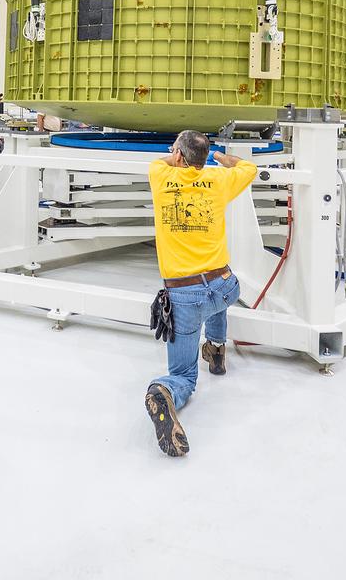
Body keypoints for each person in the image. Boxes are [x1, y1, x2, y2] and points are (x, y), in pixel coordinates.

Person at [143, 130, 256, 457]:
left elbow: (163, 160)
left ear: (177, 156)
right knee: (217, 299)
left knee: (184, 377)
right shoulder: (219, 180)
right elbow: (247, 167)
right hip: (224, 286)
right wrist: (218, 157)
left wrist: (175, 155)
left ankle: (165, 392)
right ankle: (217, 351)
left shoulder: (160, 174)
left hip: (185, 296)